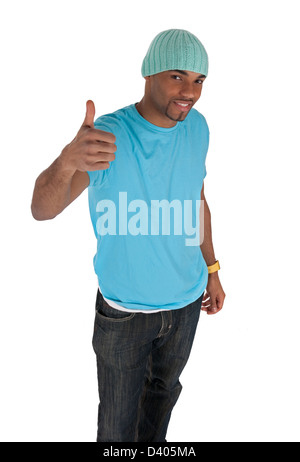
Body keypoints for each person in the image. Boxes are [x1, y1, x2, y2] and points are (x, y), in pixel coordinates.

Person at [31, 29, 226, 442]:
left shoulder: (198, 128)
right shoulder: (108, 135)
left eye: (199, 80)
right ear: (149, 74)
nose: (190, 91)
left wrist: (212, 268)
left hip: (186, 304)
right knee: (117, 425)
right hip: (124, 313)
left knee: (162, 396)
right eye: (178, 76)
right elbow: (41, 210)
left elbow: (197, 199)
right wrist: (67, 161)